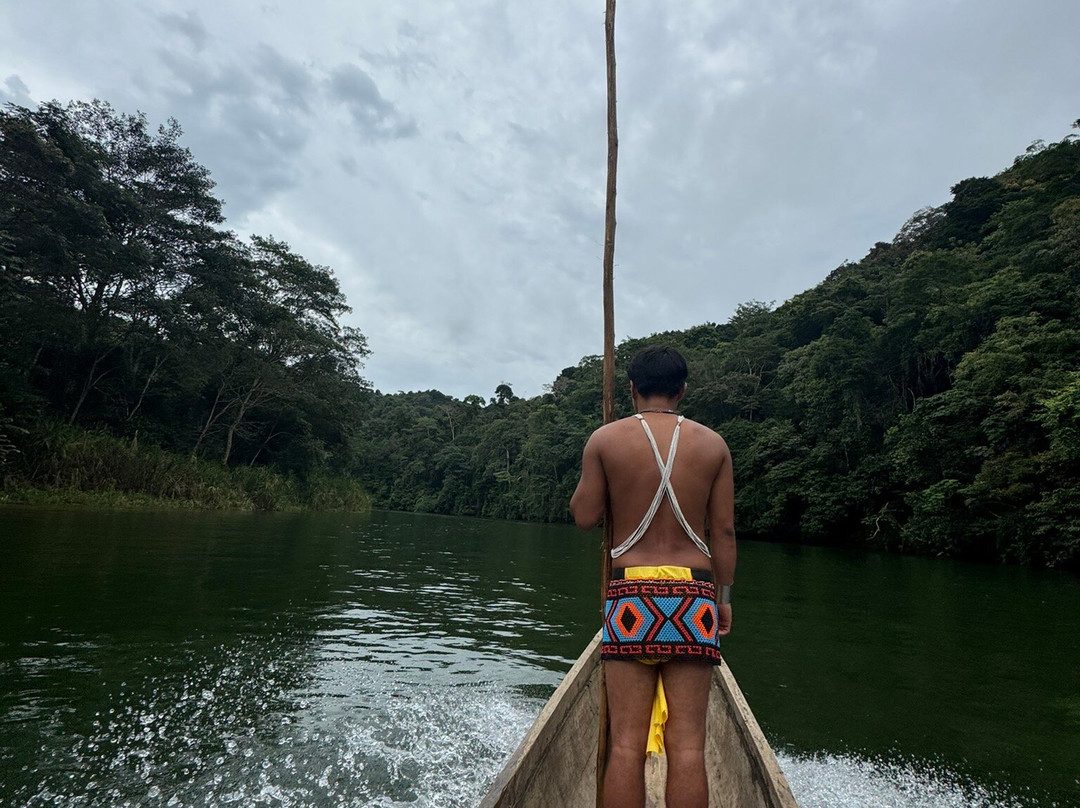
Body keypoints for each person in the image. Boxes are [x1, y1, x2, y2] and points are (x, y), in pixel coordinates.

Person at [570, 345, 736, 808]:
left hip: (632, 597)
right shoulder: (713, 445)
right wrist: (723, 598)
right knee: (689, 748)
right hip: (694, 598)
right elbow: (722, 531)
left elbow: (584, 516)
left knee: (625, 745)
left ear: (631, 389)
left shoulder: (605, 440)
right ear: (683, 390)